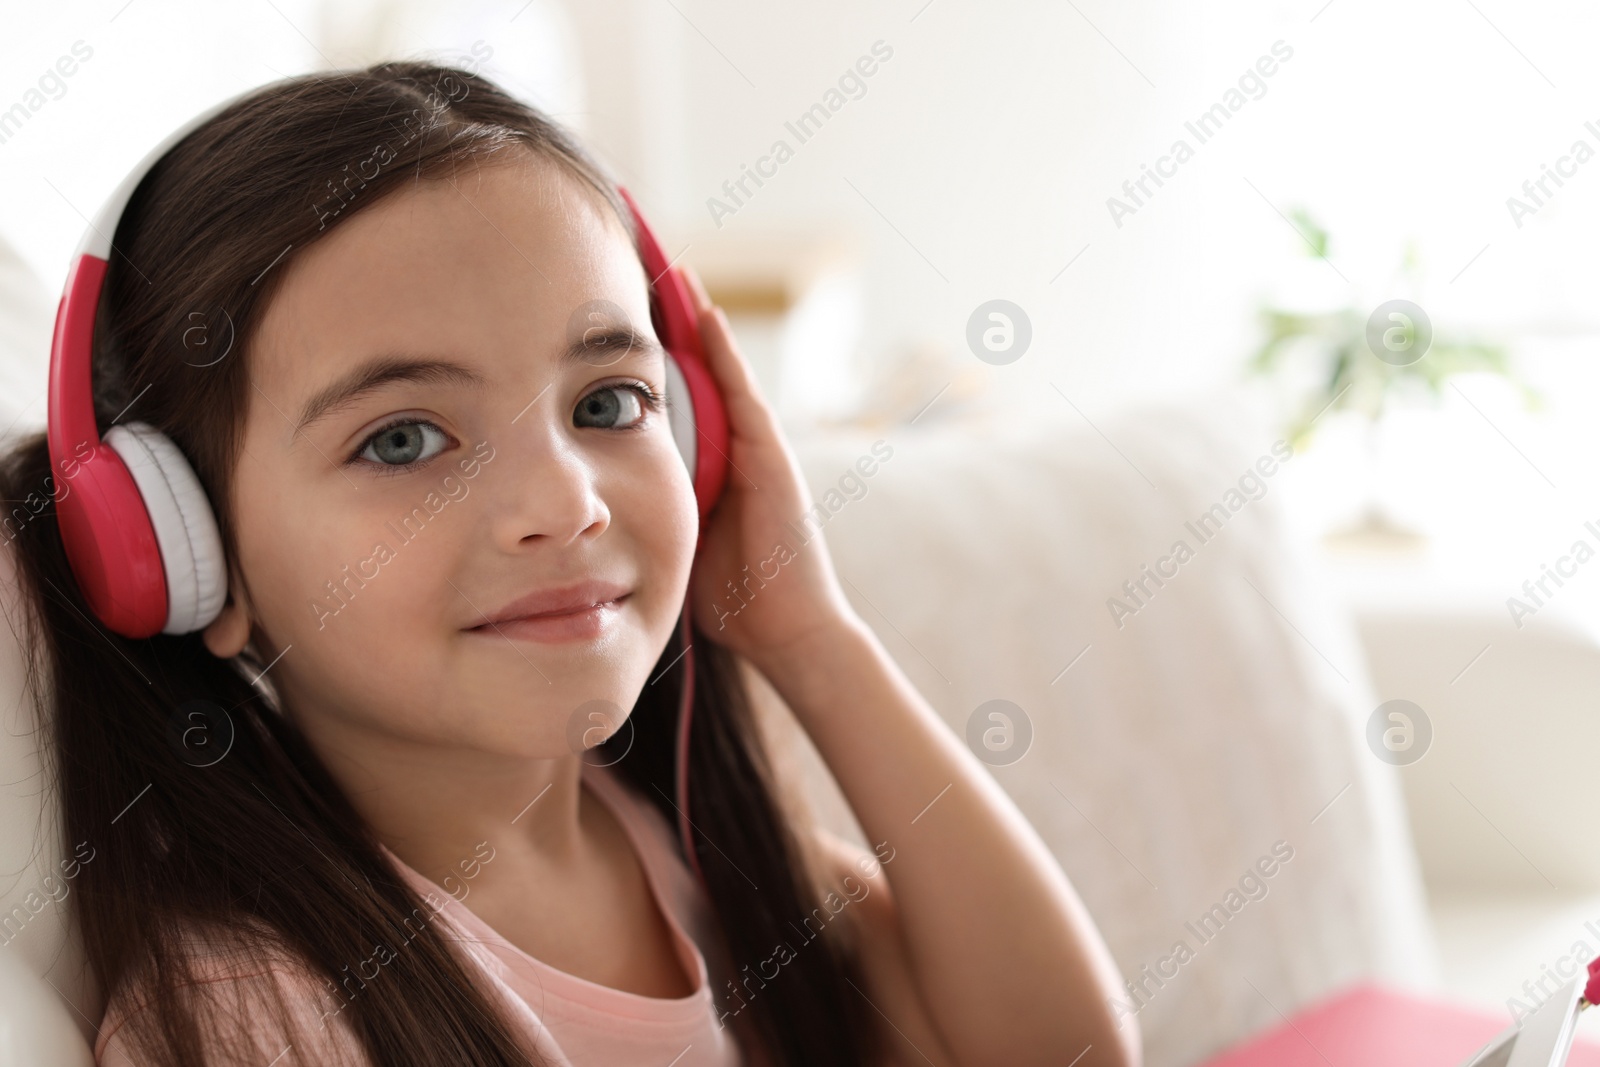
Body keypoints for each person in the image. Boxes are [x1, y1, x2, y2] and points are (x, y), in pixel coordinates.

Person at [0, 60, 1136, 1067]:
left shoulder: (673, 843)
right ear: (177, 545)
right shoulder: (263, 1016)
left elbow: (1060, 1046)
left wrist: (808, 634)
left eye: (608, 401)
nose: (564, 502)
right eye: (403, 437)